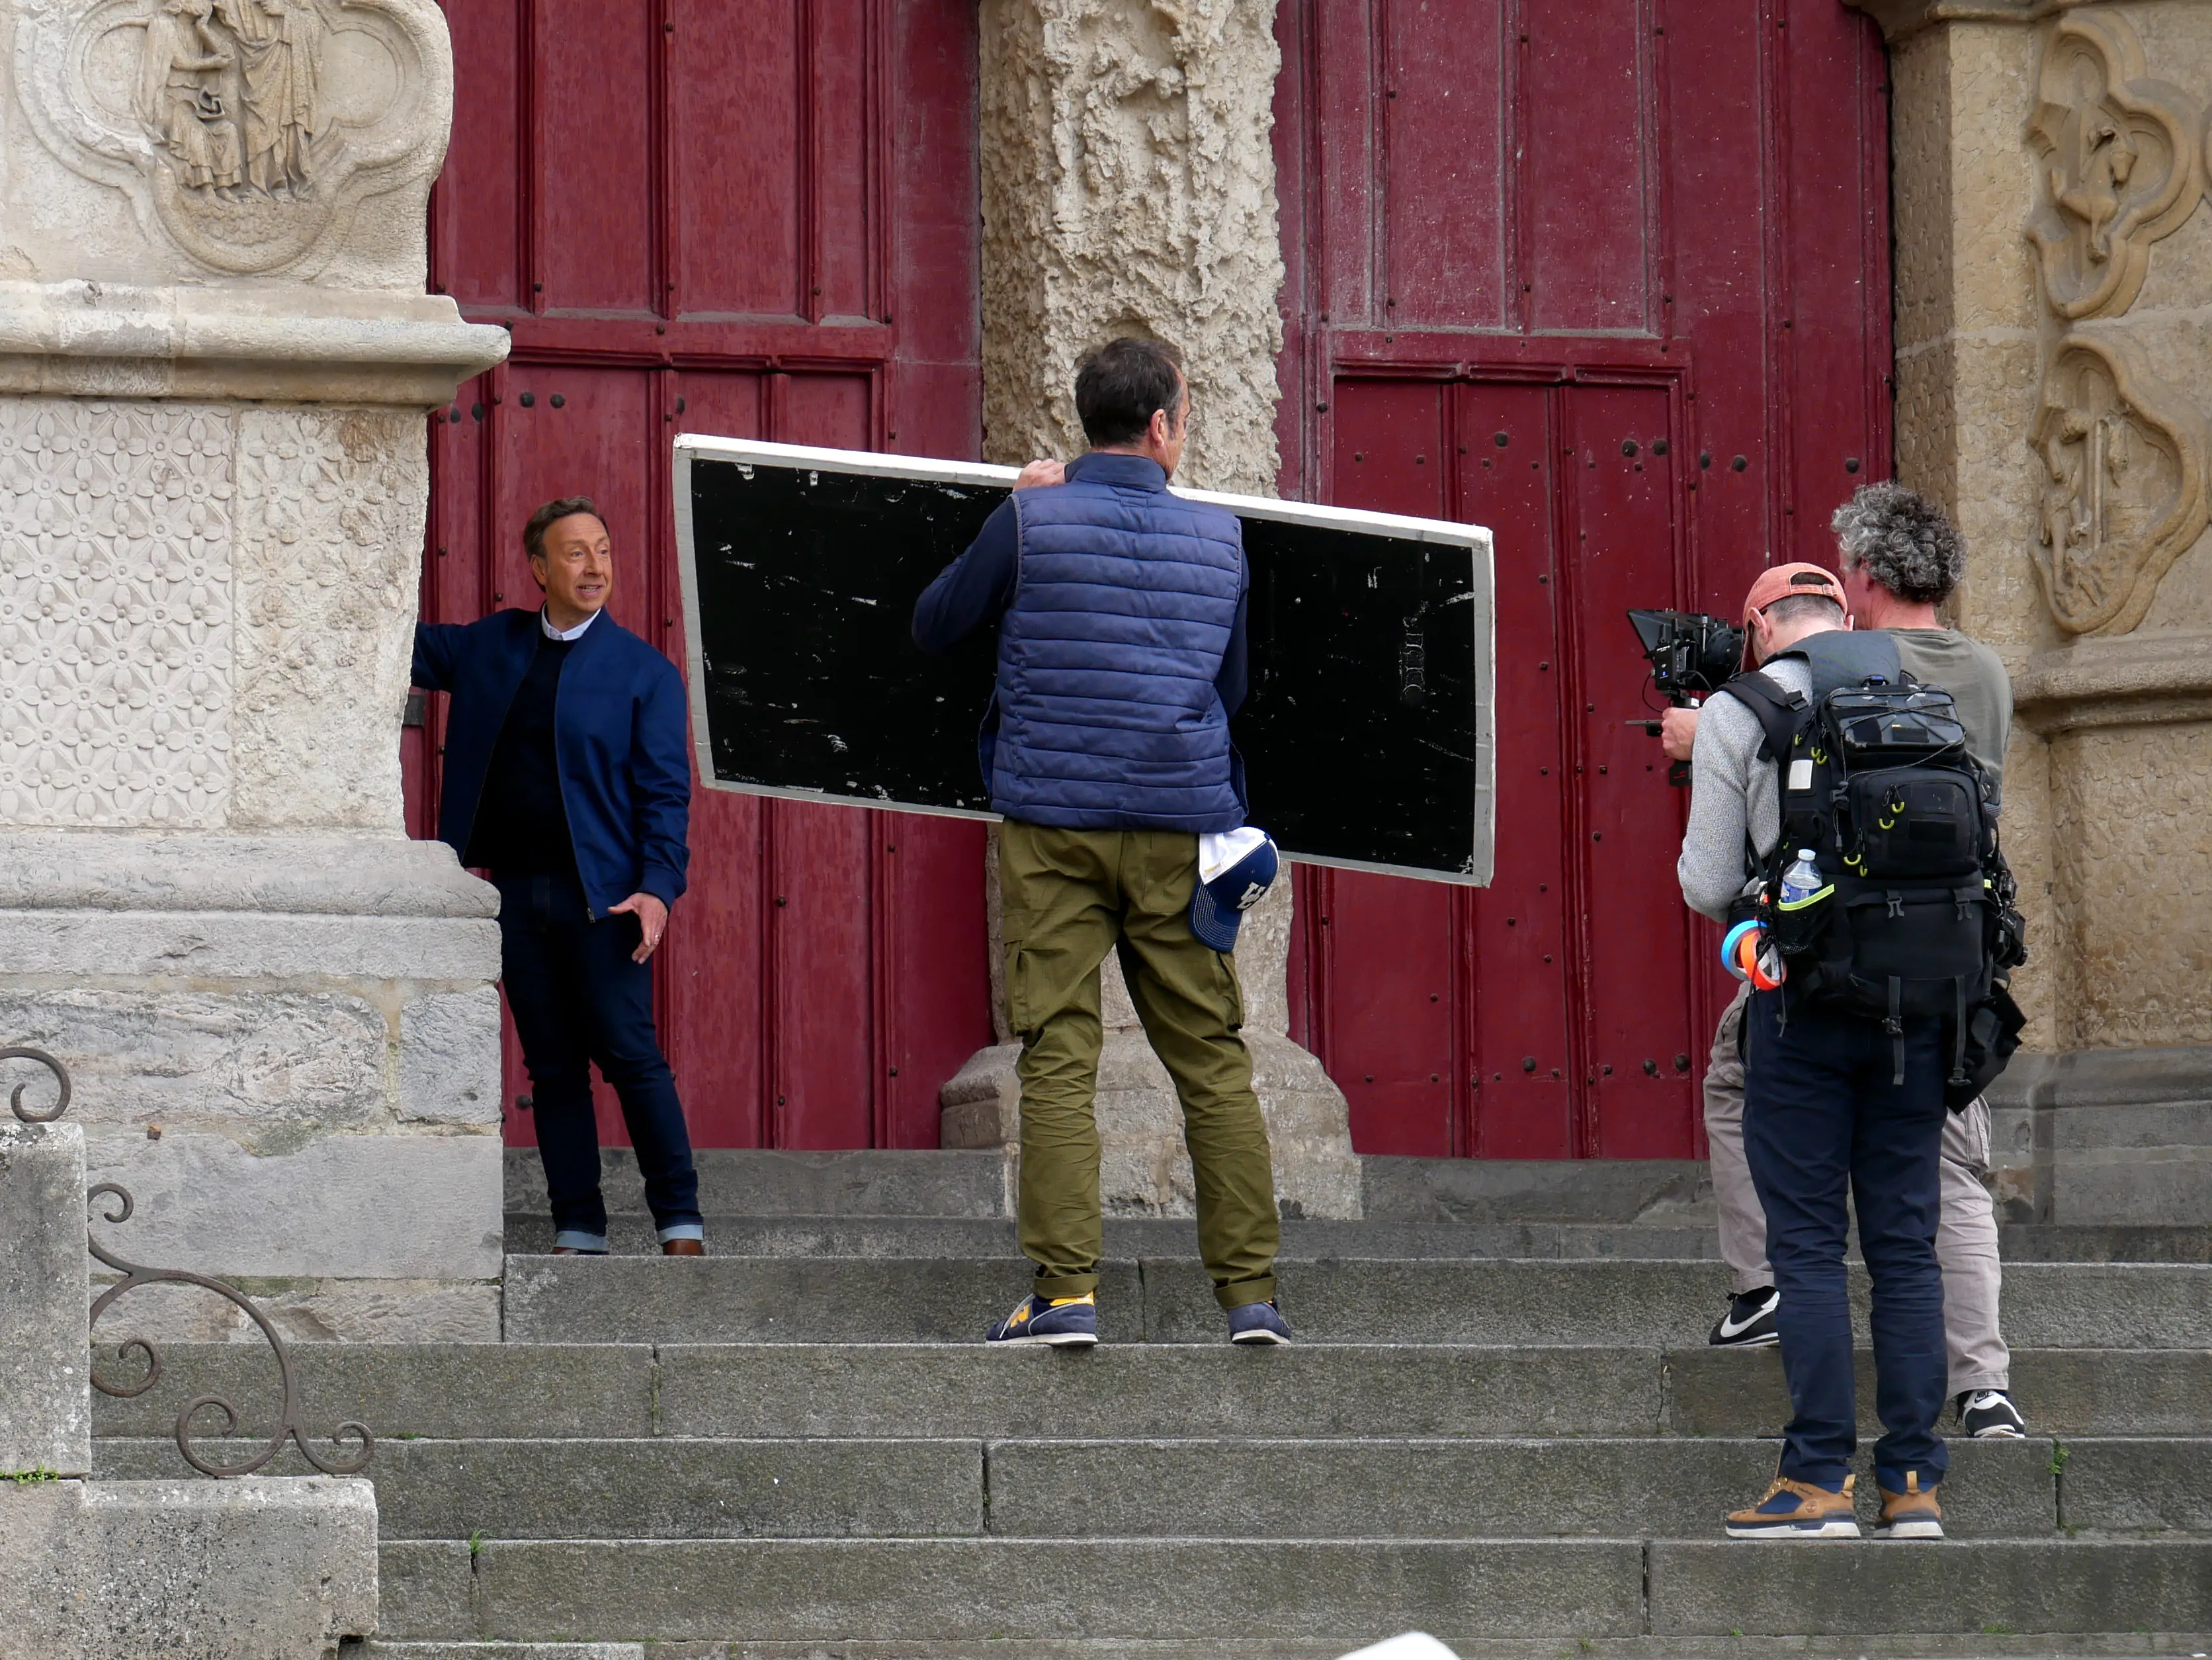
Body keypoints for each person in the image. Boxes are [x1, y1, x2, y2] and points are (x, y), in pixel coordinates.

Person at [912, 336, 1290, 1348]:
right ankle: (1250, 1296)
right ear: (1163, 425)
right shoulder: (1220, 539)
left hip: (1053, 828)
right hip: (1181, 825)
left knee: (1059, 1055)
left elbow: (934, 625)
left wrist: (1010, 504)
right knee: (1210, 1056)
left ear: (1088, 421)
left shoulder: (1029, 518)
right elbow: (1236, 692)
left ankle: (1066, 1295)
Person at [1666, 484, 2023, 1442]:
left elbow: (1723, 863)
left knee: (1776, 1154)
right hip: (1947, 962)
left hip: (1828, 968)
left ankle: (1765, 1299)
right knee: (1938, 1193)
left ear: (1864, 578)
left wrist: (1714, 736)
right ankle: (1977, 1390)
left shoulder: (1852, 668)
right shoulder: (1985, 673)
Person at [1678, 558, 1961, 1542]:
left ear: (1759, 629)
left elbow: (1707, 879)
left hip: (1800, 1012)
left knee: (1804, 1247)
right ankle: (1915, 1482)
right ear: (1841, 617)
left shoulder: (1739, 710)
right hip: (1919, 1008)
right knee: (1905, 1249)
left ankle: (1816, 1480)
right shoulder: (1922, 694)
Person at [412, 497, 704, 1257]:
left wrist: (657, 886)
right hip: (513, 894)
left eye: (602, 550)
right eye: (574, 553)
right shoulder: (492, 645)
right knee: (552, 1067)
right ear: (538, 569)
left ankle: (680, 1220)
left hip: (603, 899)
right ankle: (579, 1226)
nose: (594, 566)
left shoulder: (644, 671)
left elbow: (666, 793)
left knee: (628, 1053)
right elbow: (385, 639)